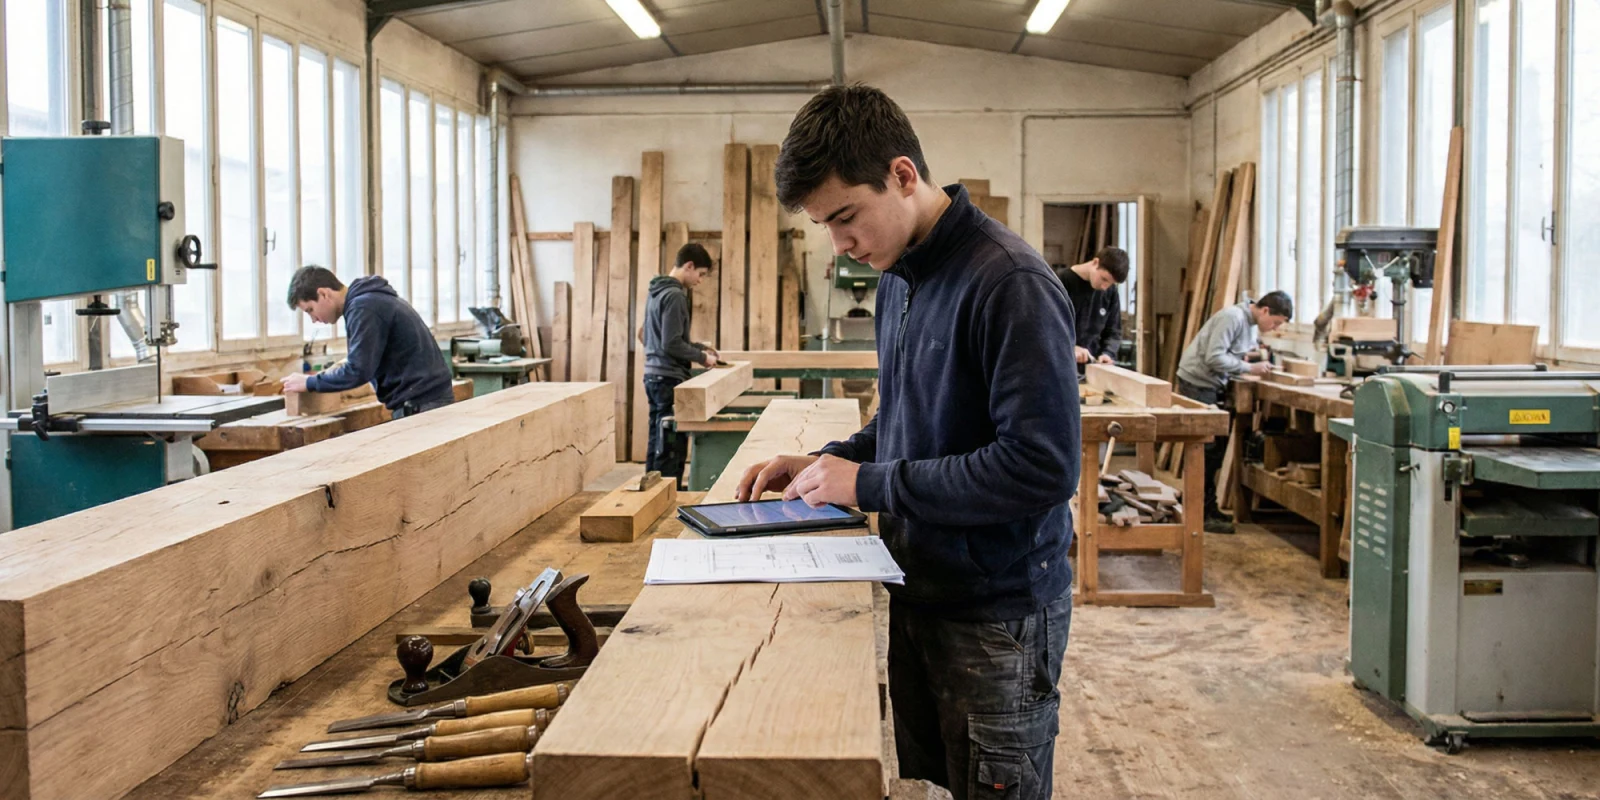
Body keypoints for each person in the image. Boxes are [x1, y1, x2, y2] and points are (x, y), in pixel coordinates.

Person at [734, 85, 1079, 800]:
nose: (843, 246)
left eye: (846, 218)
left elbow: (1040, 467)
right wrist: (836, 459)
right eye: (825, 227)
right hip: (918, 586)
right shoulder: (900, 278)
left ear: (902, 175)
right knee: (935, 782)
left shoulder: (1009, 283)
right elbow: (907, 422)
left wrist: (868, 486)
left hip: (997, 614)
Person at [1176, 290, 1294, 533]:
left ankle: (1205, 507)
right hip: (1198, 384)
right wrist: (1249, 367)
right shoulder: (1233, 317)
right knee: (1206, 450)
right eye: (1275, 322)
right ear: (1265, 310)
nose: (1273, 328)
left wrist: (1250, 360)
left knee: (1215, 450)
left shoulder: (1248, 324)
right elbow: (1213, 357)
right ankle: (1200, 513)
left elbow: (1231, 352)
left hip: (1210, 384)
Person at [281, 266, 455, 419]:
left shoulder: (363, 308)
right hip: (427, 400)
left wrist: (309, 383)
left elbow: (358, 371)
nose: (314, 319)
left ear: (324, 293)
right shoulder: (370, 300)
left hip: (423, 405)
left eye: (310, 310)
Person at [642, 243, 720, 478]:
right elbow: (671, 344)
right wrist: (702, 357)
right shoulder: (675, 295)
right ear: (689, 266)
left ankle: (652, 493)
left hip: (654, 375)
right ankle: (667, 495)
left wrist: (699, 348)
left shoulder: (656, 291)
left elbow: (653, 336)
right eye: (701, 274)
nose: (700, 280)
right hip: (668, 378)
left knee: (659, 439)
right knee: (672, 446)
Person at [1055, 246, 1129, 370]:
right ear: (1095, 262)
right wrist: (1070, 348)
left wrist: (1107, 353)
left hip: (1093, 369)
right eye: (1104, 279)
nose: (1105, 287)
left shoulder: (1110, 292)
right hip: (1061, 366)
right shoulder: (1061, 282)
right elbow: (1048, 328)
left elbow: (1113, 331)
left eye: (1111, 283)